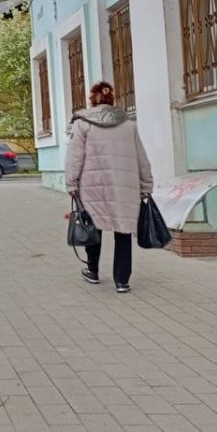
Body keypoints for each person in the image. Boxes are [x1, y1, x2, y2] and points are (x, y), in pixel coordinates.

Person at [65, 81, 154, 293]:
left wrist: (71, 182)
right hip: (124, 187)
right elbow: (141, 158)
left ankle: (93, 271)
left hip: (93, 186)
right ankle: (122, 280)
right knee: (123, 231)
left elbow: (74, 157)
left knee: (92, 226)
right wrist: (146, 185)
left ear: (92, 99)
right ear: (112, 100)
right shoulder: (128, 124)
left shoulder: (82, 124)